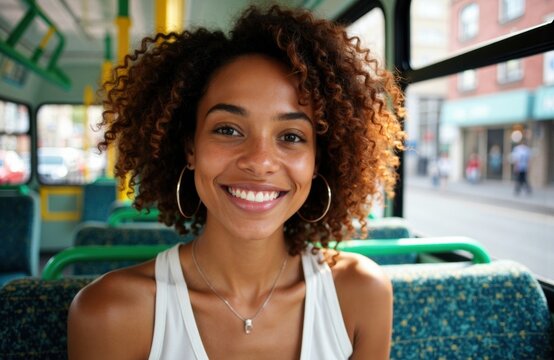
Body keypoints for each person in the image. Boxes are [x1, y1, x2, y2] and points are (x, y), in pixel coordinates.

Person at [68, 5, 405, 359]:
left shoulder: (361, 293)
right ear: (190, 148)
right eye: (228, 129)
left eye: (291, 136)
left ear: (318, 160)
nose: (259, 161)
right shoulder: (109, 313)